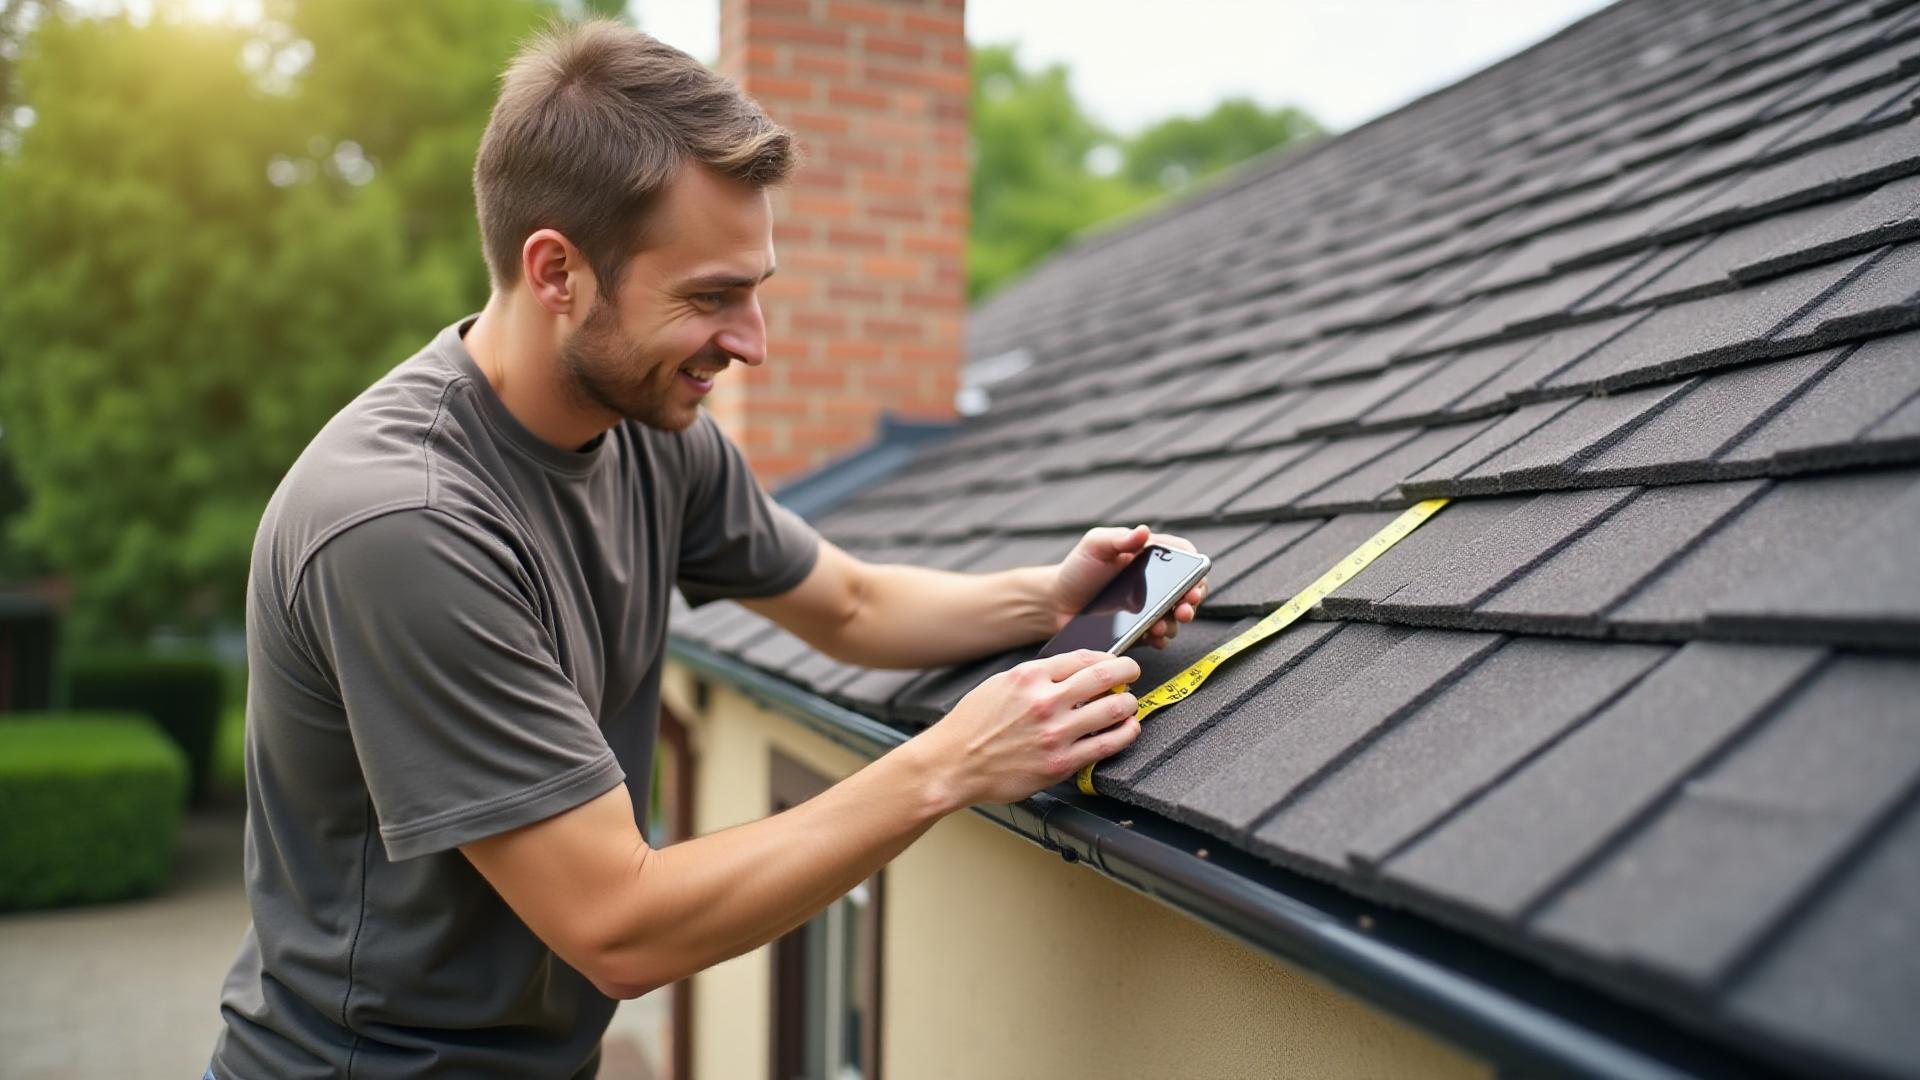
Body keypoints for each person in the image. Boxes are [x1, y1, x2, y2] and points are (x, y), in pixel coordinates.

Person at [207, 19, 1206, 1079]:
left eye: (756, 287)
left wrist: (1045, 599)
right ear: (557, 272)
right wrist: (951, 764)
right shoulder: (406, 524)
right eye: (709, 297)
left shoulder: (646, 426)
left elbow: (852, 605)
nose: (752, 344)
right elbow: (618, 923)